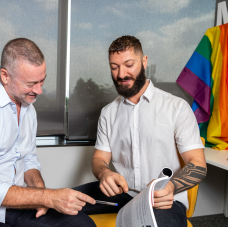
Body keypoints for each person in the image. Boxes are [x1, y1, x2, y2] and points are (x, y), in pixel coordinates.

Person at [0, 38, 96, 227]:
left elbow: (29, 159)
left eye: (42, 81)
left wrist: (41, 196)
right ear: (5, 76)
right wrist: (48, 197)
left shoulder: (28, 108)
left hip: (15, 207)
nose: (39, 90)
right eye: (31, 83)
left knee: (83, 225)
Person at [74, 35, 207, 227]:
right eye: (114, 67)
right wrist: (104, 173)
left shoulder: (176, 107)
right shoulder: (108, 113)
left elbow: (198, 164)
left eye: (129, 64)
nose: (121, 74)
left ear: (144, 61)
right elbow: (98, 160)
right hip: (122, 194)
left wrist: (172, 186)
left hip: (163, 199)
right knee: (58, 206)